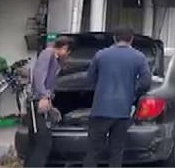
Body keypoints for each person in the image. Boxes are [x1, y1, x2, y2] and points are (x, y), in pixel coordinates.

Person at [83, 28, 151, 168]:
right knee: (116, 152)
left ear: (114, 38)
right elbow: (146, 82)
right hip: (123, 111)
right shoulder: (139, 57)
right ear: (131, 39)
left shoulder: (100, 55)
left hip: (100, 110)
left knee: (93, 152)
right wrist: (133, 93)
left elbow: (89, 79)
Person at [25, 36, 74, 167]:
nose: (67, 56)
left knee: (36, 144)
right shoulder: (48, 54)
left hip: (42, 101)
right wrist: (43, 97)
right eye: (68, 53)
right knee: (43, 144)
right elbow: (39, 75)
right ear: (64, 48)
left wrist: (50, 103)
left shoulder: (53, 57)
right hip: (37, 102)